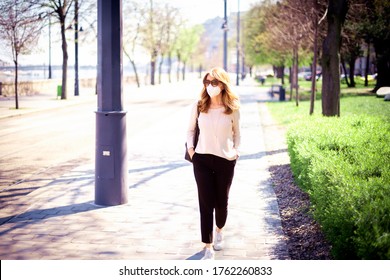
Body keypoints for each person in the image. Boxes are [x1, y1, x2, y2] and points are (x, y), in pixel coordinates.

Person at [186, 67, 241, 260]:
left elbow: (237, 134)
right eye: (207, 82)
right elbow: (190, 130)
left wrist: (236, 151)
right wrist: (192, 152)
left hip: (225, 160)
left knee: (222, 203)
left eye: (214, 82)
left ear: (223, 84)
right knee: (205, 202)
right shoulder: (199, 105)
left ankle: (219, 230)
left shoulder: (232, 107)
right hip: (201, 159)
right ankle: (207, 245)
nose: (210, 86)